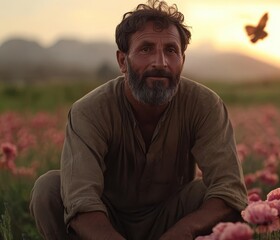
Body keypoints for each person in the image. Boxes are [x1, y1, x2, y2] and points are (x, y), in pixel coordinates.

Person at [29, 0, 248, 239]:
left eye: (171, 51)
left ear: (182, 60)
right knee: (49, 189)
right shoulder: (89, 111)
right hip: (104, 220)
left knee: (219, 198)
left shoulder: (205, 104)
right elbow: (81, 200)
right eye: (146, 49)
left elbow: (229, 189)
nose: (160, 62)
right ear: (123, 61)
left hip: (174, 218)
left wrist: (182, 232)